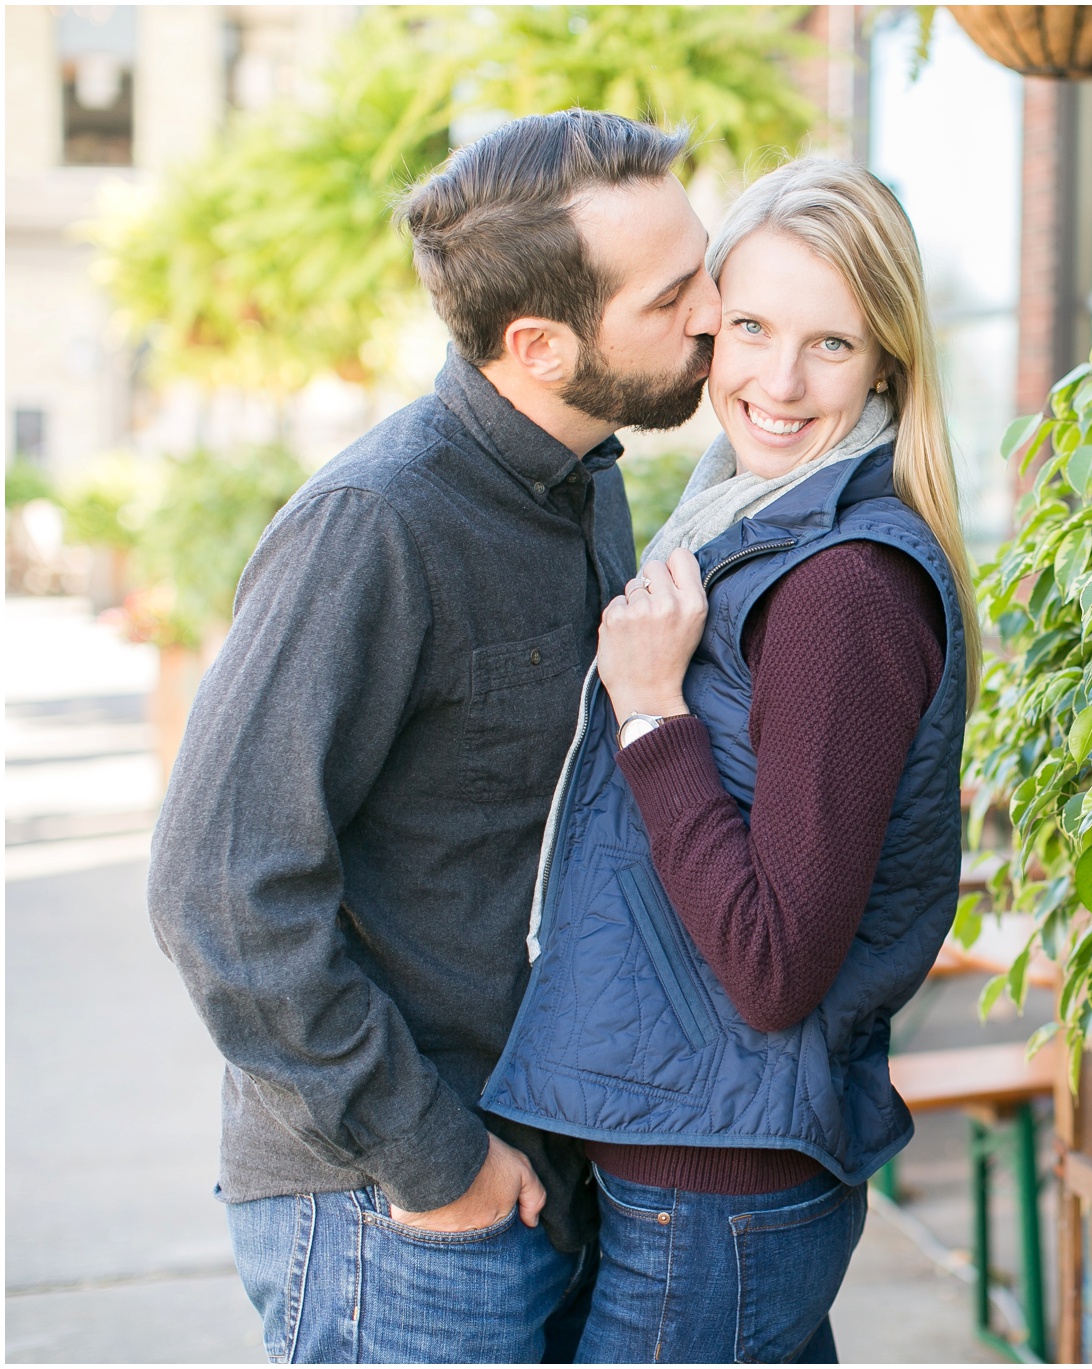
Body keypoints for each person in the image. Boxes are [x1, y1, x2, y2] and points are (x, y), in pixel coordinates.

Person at [147, 110, 721, 1364]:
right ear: (539, 344)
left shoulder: (594, 479)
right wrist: (429, 1156)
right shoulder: (371, 524)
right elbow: (219, 894)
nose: (716, 312)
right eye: (672, 295)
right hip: (396, 1206)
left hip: (544, 1165)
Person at [481, 157, 981, 1363]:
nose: (775, 379)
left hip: (716, 1185)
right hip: (689, 1154)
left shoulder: (843, 588)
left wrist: (654, 712)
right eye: (749, 327)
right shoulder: (743, 520)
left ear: (885, 366)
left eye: (830, 344)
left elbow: (774, 965)